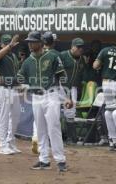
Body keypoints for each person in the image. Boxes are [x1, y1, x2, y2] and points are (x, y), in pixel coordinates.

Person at [17, 31, 72, 172]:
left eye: (32, 41)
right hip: (36, 97)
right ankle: (44, 160)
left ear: (40, 43)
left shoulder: (53, 56)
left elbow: (62, 77)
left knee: (53, 128)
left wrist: (66, 96)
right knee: (40, 129)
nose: (30, 44)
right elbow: (20, 78)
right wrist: (20, 87)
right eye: (28, 42)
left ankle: (60, 160)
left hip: (51, 96)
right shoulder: (28, 61)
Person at [0, 34, 21, 155]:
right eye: (5, 43)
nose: (9, 45)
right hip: (3, 90)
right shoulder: (0, 55)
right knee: (3, 119)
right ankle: (2, 145)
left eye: (9, 43)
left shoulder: (14, 56)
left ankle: (10, 142)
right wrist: (9, 46)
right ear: (1, 44)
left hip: (13, 89)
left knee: (15, 117)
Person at [60, 38, 86, 143]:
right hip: (60, 87)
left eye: (82, 47)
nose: (80, 49)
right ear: (72, 46)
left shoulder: (82, 59)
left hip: (73, 88)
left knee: (71, 112)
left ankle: (71, 137)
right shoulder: (63, 55)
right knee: (54, 111)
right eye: (78, 47)